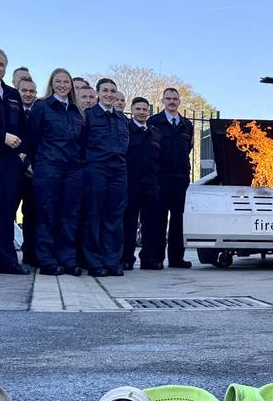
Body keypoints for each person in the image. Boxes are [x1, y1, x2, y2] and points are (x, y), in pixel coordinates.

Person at [25, 68, 85, 276]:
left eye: (66, 81)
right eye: (58, 81)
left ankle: (67, 260)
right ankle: (47, 261)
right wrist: (32, 162)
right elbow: (32, 137)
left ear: (70, 85)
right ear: (51, 84)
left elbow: (82, 142)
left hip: (73, 171)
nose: (62, 85)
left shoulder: (77, 112)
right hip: (48, 168)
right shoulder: (42, 107)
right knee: (47, 216)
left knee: (69, 216)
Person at [82, 78, 130, 276]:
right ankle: (94, 262)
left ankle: (112, 261)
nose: (109, 94)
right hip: (96, 170)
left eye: (112, 91)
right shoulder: (88, 116)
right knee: (94, 216)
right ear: (98, 93)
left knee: (115, 218)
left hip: (118, 171)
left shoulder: (121, 119)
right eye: (105, 91)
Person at [148, 87, 194, 267]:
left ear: (179, 101)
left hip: (180, 178)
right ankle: (157, 258)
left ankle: (176, 258)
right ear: (163, 101)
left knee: (178, 220)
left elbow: (188, 149)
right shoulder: (154, 122)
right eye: (168, 98)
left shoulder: (187, 125)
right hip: (160, 178)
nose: (172, 101)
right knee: (159, 219)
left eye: (175, 99)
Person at [0, 47, 28, 274]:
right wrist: (1, 137)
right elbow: (6, 133)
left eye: (0, 64)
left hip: (8, 163)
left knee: (6, 213)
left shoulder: (12, 94)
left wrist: (22, 151)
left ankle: (8, 262)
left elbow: (23, 127)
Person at [123, 96, 162, 271]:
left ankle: (149, 259)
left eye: (145, 109)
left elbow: (160, 160)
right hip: (131, 183)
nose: (141, 112)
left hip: (151, 185)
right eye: (138, 109)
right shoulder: (125, 130)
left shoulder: (155, 133)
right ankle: (126, 258)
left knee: (151, 223)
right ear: (132, 110)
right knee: (129, 223)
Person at [17, 77, 39, 267]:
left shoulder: (39, 112)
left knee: (32, 214)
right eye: (24, 90)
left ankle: (30, 253)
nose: (28, 94)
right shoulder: (10, 111)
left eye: (31, 91)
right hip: (14, 169)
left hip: (35, 170)